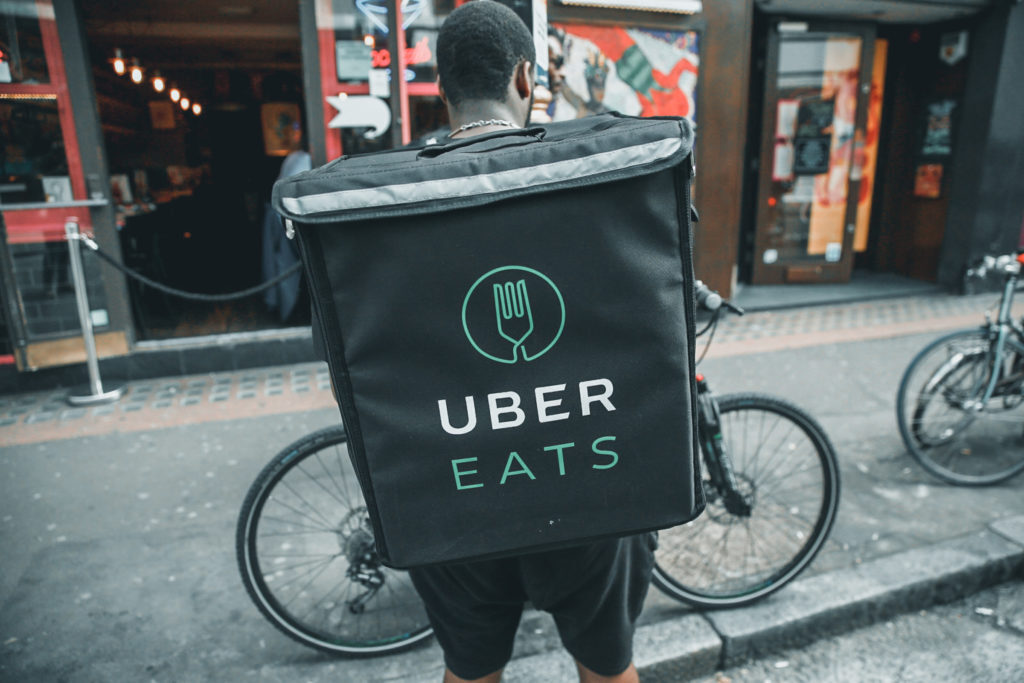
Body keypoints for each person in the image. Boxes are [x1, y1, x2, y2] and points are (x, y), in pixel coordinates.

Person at [402, 3, 657, 682]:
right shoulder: (585, 179)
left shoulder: (388, 201)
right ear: (525, 77)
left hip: (454, 491)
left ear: (441, 85)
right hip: (588, 481)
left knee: (472, 670)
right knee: (608, 667)